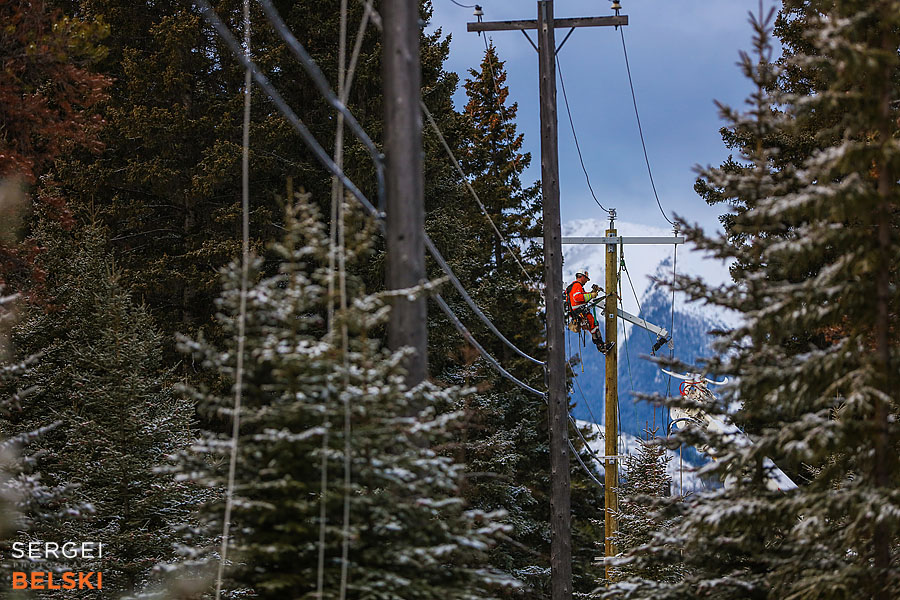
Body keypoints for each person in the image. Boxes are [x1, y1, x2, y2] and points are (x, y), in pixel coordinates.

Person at [566, 270, 614, 354]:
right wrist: (591, 295)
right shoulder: (577, 285)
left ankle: (601, 346)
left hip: (576, 313)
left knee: (593, 326)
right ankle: (602, 347)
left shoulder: (573, 286)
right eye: (586, 279)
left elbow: (580, 298)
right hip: (579, 312)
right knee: (594, 326)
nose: (586, 281)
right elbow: (577, 297)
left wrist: (591, 294)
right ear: (582, 277)